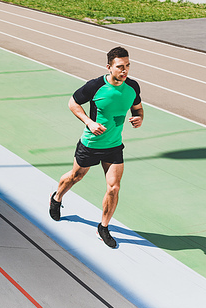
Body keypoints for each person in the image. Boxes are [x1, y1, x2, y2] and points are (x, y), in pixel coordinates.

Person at [49, 46, 144, 248]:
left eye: (127, 66)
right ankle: (57, 197)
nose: (125, 70)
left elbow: (137, 107)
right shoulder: (95, 86)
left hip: (114, 146)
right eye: (120, 66)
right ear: (109, 67)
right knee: (76, 177)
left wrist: (139, 118)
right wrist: (89, 122)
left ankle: (103, 226)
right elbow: (73, 103)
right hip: (91, 144)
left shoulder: (133, 87)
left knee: (114, 187)